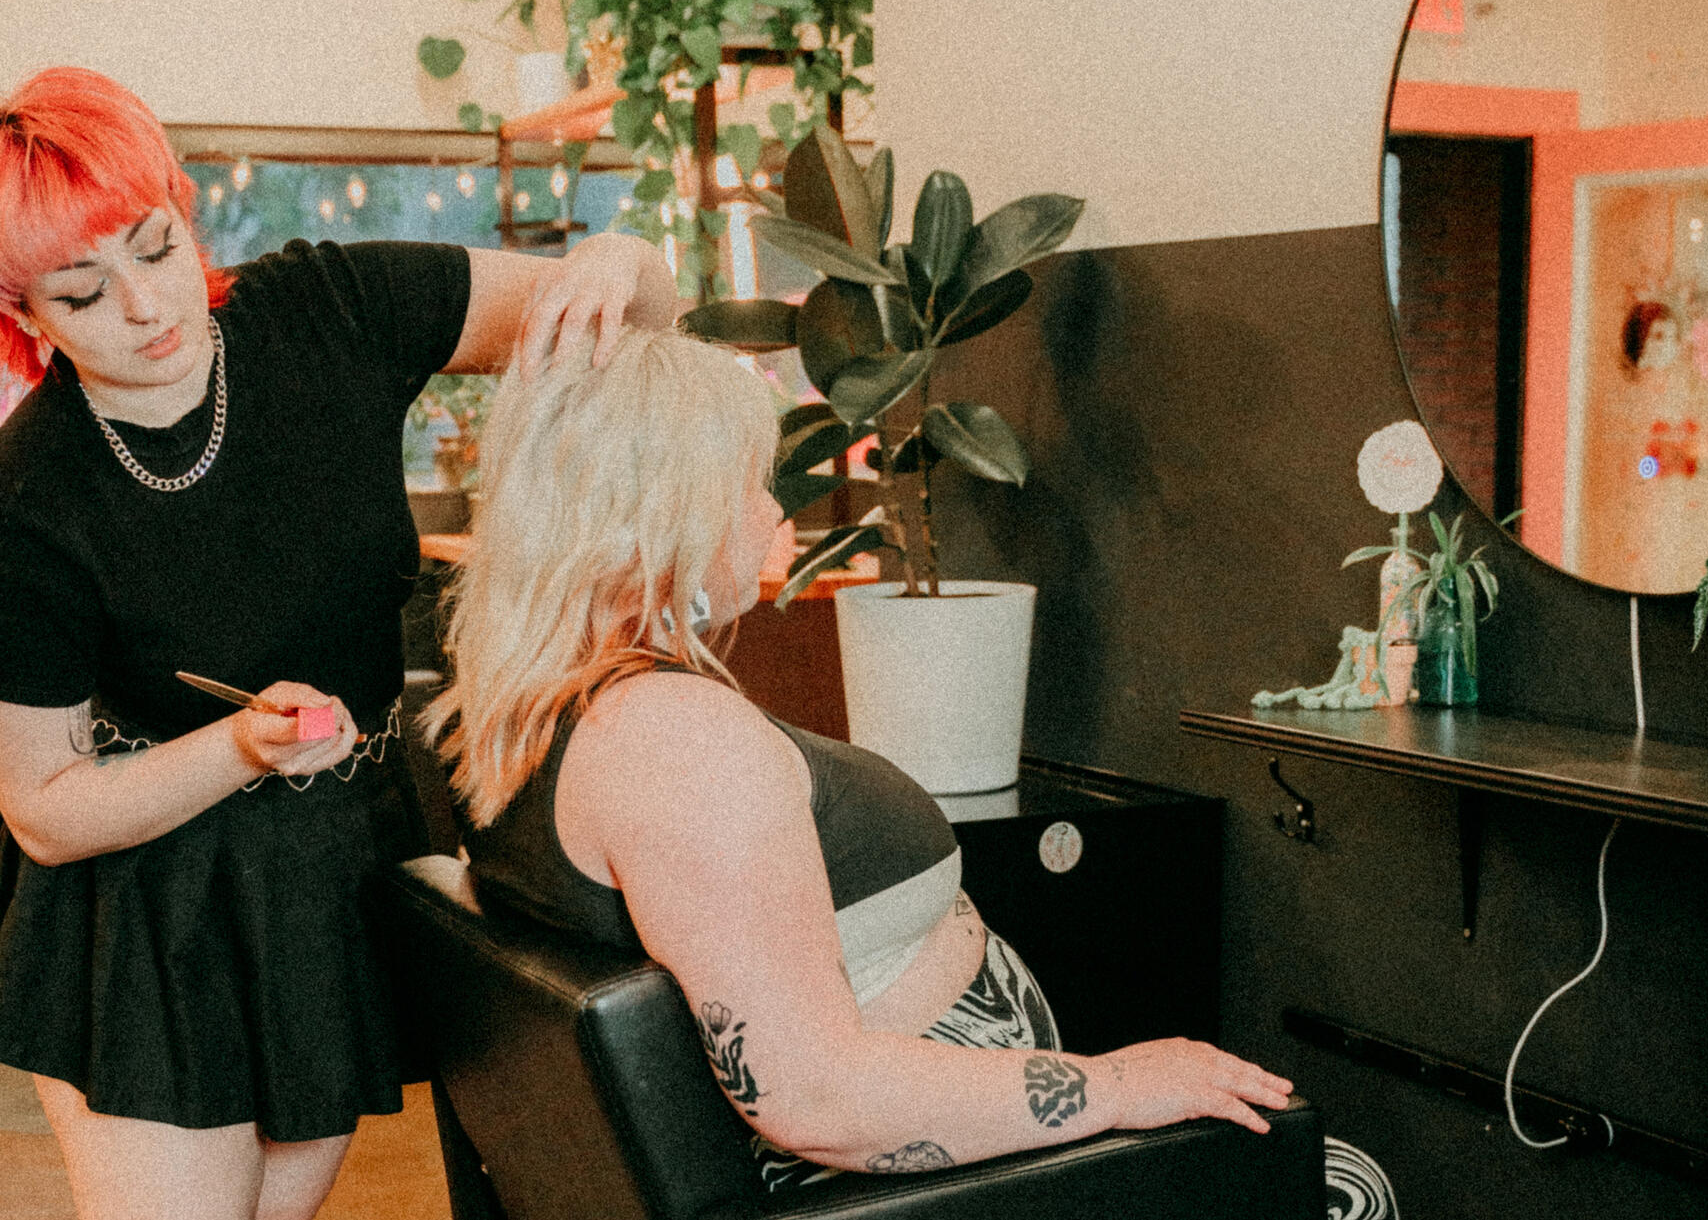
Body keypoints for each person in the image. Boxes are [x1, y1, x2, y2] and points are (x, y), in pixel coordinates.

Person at [0, 65, 675, 1220]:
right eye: (82, 294)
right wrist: (237, 745)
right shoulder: (23, 502)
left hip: (333, 855)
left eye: (156, 243)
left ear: (184, 209)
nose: (146, 306)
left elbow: (624, 312)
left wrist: (627, 261)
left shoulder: (331, 311)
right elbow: (47, 806)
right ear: (20, 317)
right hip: (146, 899)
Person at [426, 327, 1294, 1189]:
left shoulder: (516, 709)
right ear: (666, 508)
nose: (770, 511)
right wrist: (1114, 1087)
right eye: (748, 482)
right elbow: (816, 1097)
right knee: (1345, 1184)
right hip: (930, 1193)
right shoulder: (674, 744)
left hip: (956, 1159)